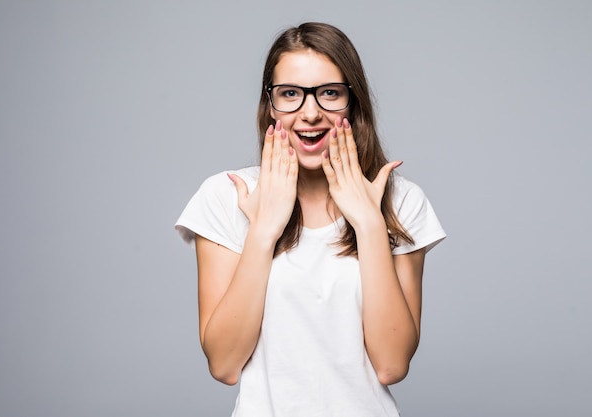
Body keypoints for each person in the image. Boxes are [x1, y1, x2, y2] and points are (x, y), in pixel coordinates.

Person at [176, 22, 446, 417]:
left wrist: (370, 225)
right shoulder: (227, 197)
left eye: (329, 93)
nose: (310, 113)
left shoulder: (400, 200)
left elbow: (392, 364)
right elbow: (224, 363)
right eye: (290, 94)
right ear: (270, 105)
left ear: (353, 102)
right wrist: (263, 230)